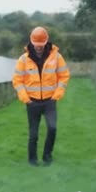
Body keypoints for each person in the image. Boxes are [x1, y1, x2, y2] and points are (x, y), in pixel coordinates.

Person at [12, 26, 70, 166]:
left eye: (41, 45)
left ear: (46, 42)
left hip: (50, 101)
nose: (38, 47)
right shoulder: (23, 59)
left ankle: (47, 156)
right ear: (31, 42)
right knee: (33, 134)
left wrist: (56, 95)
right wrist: (26, 99)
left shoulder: (56, 57)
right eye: (36, 45)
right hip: (32, 102)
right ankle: (32, 160)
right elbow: (17, 80)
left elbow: (64, 76)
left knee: (52, 128)